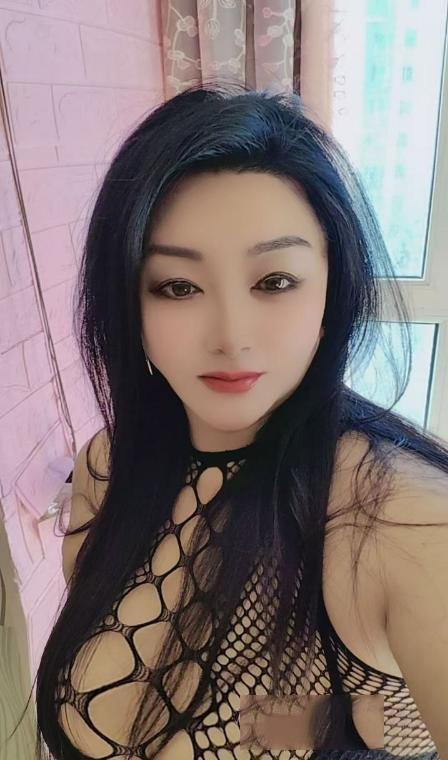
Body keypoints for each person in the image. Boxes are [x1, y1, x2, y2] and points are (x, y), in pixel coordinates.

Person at [26, 83, 448, 759]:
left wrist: (365, 720)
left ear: (332, 290)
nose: (232, 337)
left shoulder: (400, 520)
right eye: (178, 286)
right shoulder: (107, 466)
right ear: (128, 304)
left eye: (274, 282)